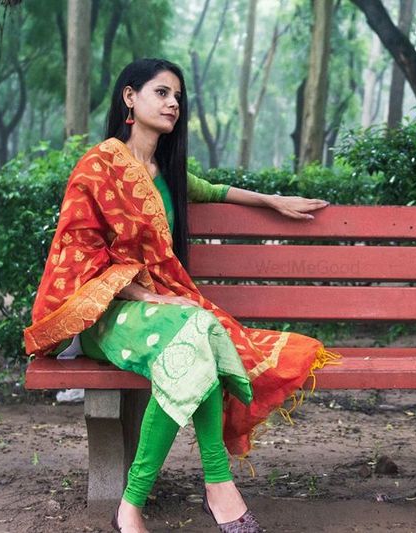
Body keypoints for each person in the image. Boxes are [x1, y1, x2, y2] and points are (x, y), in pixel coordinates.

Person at [23, 58, 335, 533]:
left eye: (177, 97)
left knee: (199, 330)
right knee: (197, 329)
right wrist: (147, 297)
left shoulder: (167, 173)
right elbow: (79, 252)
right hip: (108, 316)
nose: (173, 104)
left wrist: (272, 201)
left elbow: (214, 190)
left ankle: (154, 500)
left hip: (165, 318)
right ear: (130, 97)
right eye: (162, 93)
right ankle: (205, 488)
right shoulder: (99, 164)